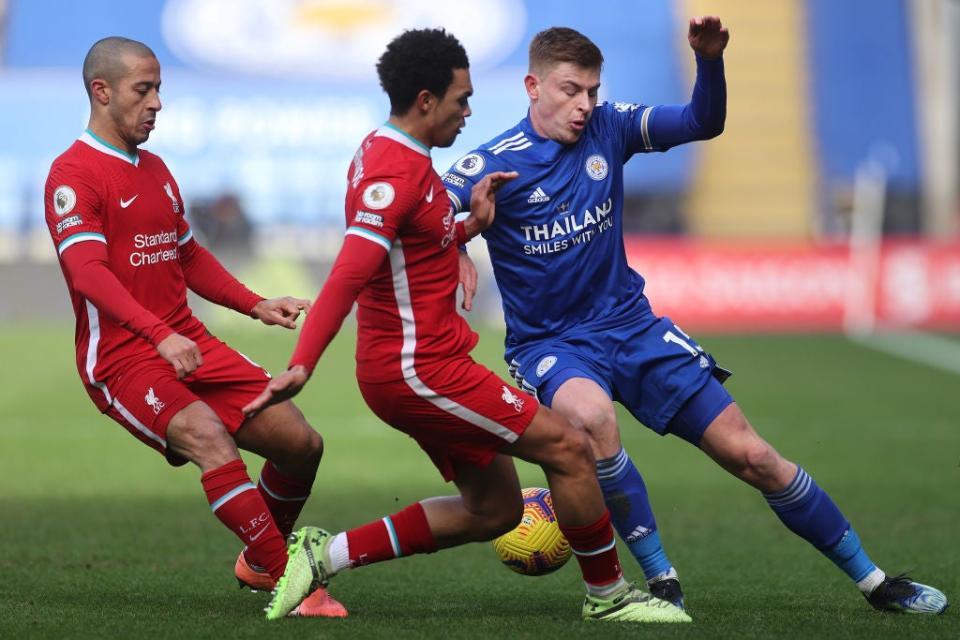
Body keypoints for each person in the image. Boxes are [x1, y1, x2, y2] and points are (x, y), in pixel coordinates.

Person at [442, 19, 947, 615]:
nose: (584, 105)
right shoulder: (492, 163)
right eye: (570, 90)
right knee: (592, 417)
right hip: (553, 345)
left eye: (592, 91)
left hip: (633, 326)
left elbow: (702, 121)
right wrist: (456, 238)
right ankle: (662, 585)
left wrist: (710, 62)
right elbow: (420, 215)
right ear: (532, 86)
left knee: (754, 456)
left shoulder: (611, 127)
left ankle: (875, 581)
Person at [243, 28, 690, 624]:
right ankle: (608, 596)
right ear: (426, 101)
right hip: (419, 370)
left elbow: (419, 237)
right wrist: (302, 363)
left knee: (496, 509)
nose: (470, 110)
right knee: (569, 447)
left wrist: (469, 226)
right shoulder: (394, 175)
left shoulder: (399, 155)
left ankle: (324, 554)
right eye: (462, 99)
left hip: (428, 365)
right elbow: (349, 273)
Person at [43, 36, 345, 618]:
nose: (157, 102)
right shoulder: (72, 174)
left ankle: (259, 560)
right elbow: (87, 274)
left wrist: (254, 303)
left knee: (300, 443)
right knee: (209, 437)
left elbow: (188, 256)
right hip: (125, 358)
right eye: (144, 90)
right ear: (101, 92)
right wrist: (158, 334)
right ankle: (288, 578)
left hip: (190, 342)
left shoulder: (156, 169)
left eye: (159, 89)